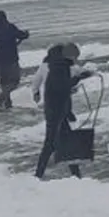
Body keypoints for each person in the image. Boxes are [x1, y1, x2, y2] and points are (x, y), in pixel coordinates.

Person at [34, 42, 95, 179]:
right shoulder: (58, 67)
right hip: (54, 111)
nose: (75, 60)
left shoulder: (59, 64)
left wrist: (81, 76)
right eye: (74, 57)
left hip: (60, 109)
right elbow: (62, 86)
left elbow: (61, 87)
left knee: (66, 141)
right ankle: (38, 175)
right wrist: (78, 78)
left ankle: (76, 174)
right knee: (50, 144)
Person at [0, 10, 29, 110]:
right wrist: (26, 34)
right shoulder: (9, 28)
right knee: (14, 81)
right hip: (12, 60)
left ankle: (7, 103)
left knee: (4, 83)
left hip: (0, 62)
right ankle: (0, 99)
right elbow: (21, 35)